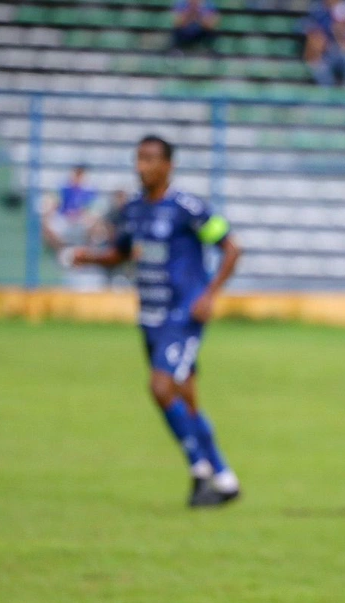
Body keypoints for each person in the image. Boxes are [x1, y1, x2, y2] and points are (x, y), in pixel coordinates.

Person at [67, 136, 244, 507]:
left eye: (150, 159)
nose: (141, 166)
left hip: (182, 314)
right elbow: (119, 253)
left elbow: (230, 247)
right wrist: (89, 258)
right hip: (150, 316)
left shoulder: (186, 208)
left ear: (168, 166)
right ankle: (225, 478)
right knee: (187, 400)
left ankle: (200, 471)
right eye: (138, 159)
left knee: (161, 387)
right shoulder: (134, 209)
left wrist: (209, 295)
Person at [303, 0, 345, 87]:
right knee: (319, 67)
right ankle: (328, 94)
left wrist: (340, 37)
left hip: (339, 53)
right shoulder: (319, 12)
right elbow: (313, 42)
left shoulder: (344, 8)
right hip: (324, 54)